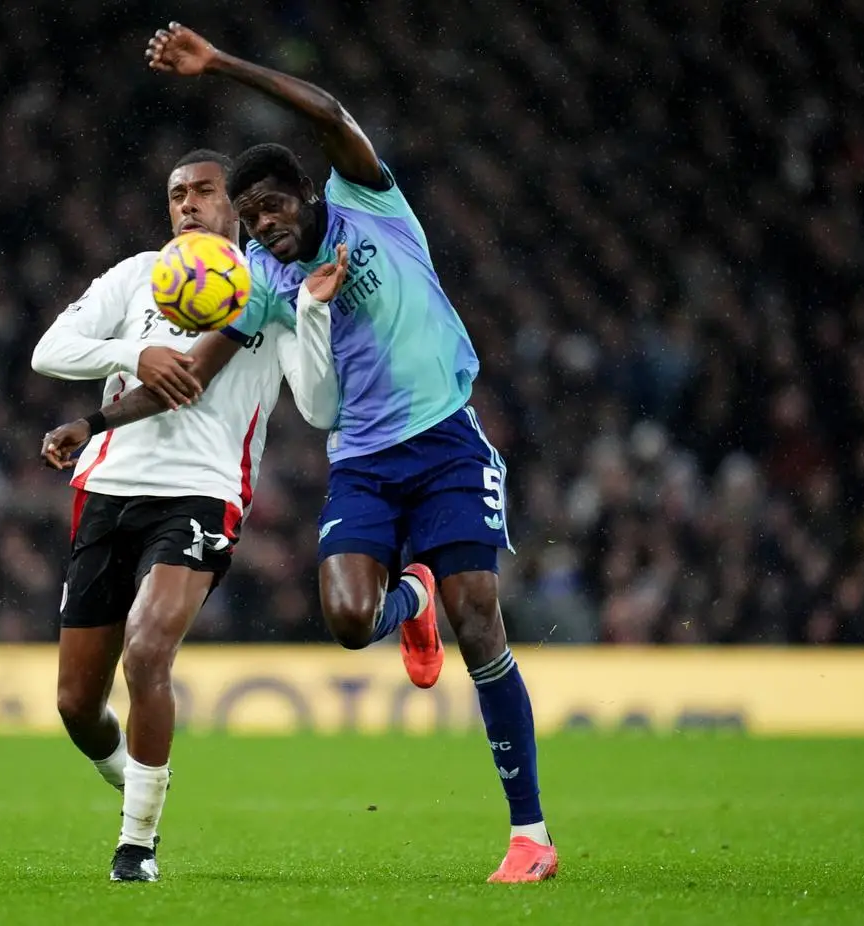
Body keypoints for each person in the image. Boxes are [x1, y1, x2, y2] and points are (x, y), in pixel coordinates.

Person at [42, 26, 557, 883]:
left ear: (305, 193)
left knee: (480, 620)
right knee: (353, 620)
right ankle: (409, 598)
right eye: (248, 221)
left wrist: (220, 67)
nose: (261, 227)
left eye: (270, 209)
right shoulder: (258, 279)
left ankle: (529, 834)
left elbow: (327, 110)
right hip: (362, 460)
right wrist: (94, 426)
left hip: (444, 440)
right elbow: (196, 378)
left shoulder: (370, 202)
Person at [32, 148, 344, 883]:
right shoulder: (140, 274)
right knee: (77, 704)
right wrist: (134, 352)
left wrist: (315, 314)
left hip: (203, 492)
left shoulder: (270, 286)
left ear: (236, 207)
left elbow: (320, 406)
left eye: (204, 192)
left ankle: (136, 844)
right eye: (176, 195)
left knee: (147, 652)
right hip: (107, 490)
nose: (187, 205)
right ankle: (144, 781)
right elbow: (52, 350)